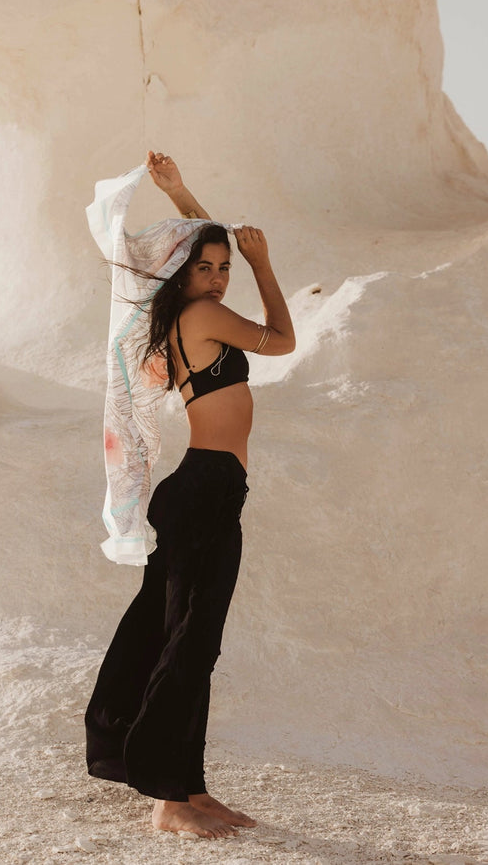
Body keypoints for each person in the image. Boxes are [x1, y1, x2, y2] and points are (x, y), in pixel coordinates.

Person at [85, 151, 296, 839]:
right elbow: (282, 340)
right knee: (188, 645)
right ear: (183, 272)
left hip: (208, 491)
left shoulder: (189, 308)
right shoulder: (202, 316)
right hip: (202, 491)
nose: (217, 276)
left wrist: (179, 192)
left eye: (224, 267)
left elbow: (197, 239)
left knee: (187, 641)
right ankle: (167, 800)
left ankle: (189, 788)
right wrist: (262, 265)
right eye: (205, 268)